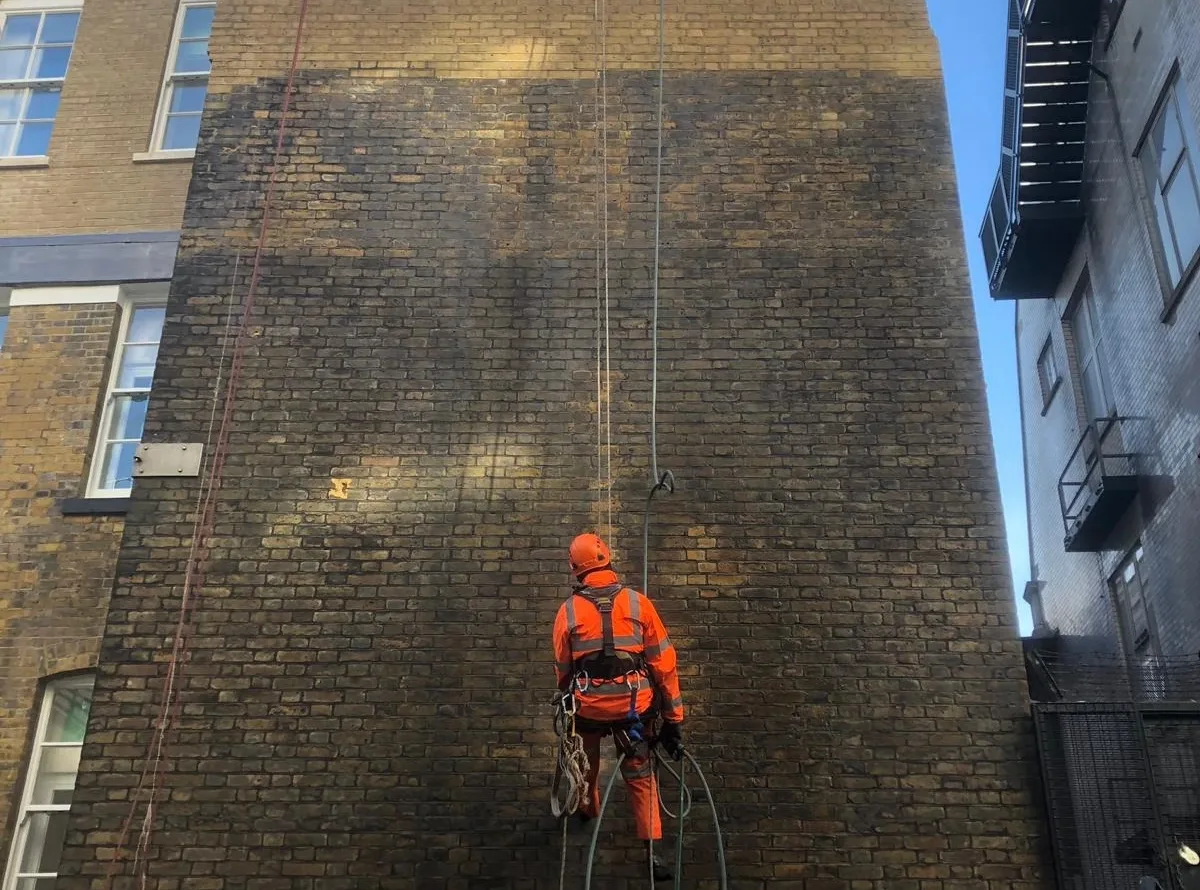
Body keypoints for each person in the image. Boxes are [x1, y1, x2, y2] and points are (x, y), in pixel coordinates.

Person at [552, 532, 685, 880]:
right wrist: (673, 719)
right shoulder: (640, 604)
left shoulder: (567, 611)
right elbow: (664, 664)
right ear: (608, 558)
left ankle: (586, 807)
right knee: (641, 776)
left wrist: (570, 697)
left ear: (574, 568)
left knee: (586, 766)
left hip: (589, 709)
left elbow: (563, 671)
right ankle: (652, 851)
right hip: (634, 709)